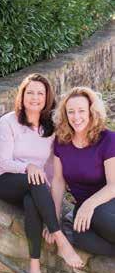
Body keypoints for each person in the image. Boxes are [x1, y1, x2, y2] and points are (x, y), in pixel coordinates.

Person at [0, 74, 83, 273]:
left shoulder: (51, 128)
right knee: (37, 180)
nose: (35, 97)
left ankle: (34, 266)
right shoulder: (8, 122)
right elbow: (3, 161)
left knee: (32, 202)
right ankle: (60, 239)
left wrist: (49, 198)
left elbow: (51, 168)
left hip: (35, 183)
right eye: (30, 92)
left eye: (40, 93)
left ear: (47, 98)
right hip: (5, 179)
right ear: (22, 96)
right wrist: (28, 167)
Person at [48, 87, 115, 256]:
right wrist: (54, 218)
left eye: (81, 111)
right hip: (85, 207)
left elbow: (113, 185)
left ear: (91, 112)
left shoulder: (108, 139)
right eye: (71, 112)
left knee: (98, 215)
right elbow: (58, 180)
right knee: (79, 235)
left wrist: (89, 205)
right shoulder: (61, 141)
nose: (76, 117)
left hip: (108, 203)